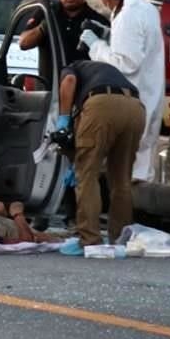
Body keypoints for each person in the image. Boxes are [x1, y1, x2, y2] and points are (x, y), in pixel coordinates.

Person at [80, 0, 165, 183]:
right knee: (143, 162)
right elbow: (138, 43)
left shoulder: (128, 15)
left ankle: (130, 210)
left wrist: (95, 45)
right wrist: (108, 34)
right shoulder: (146, 9)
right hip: (151, 90)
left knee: (130, 168)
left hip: (137, 97)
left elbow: (126, 62)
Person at [50, 60, 146, 248]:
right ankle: (121, 239)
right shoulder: (100, 72)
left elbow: (68, 80)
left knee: (87, 176)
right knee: (122, 180)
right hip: (135, 107)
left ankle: (90, 240)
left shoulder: (71, 68)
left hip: (101, 104)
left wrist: (63, 118)